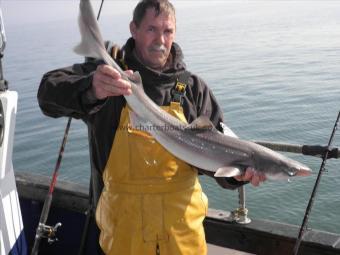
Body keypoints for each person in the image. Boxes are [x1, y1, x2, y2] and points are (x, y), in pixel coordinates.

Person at [38, 0, 265, 254]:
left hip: (183, 242)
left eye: (167, 31)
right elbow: (47, 94)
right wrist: (90, 89)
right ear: (133, 29)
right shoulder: (108, 78)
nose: (160, 39)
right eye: (151, 29)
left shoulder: (193, 90)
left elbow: (216, 163)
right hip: (122, 240)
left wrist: (238, 175)